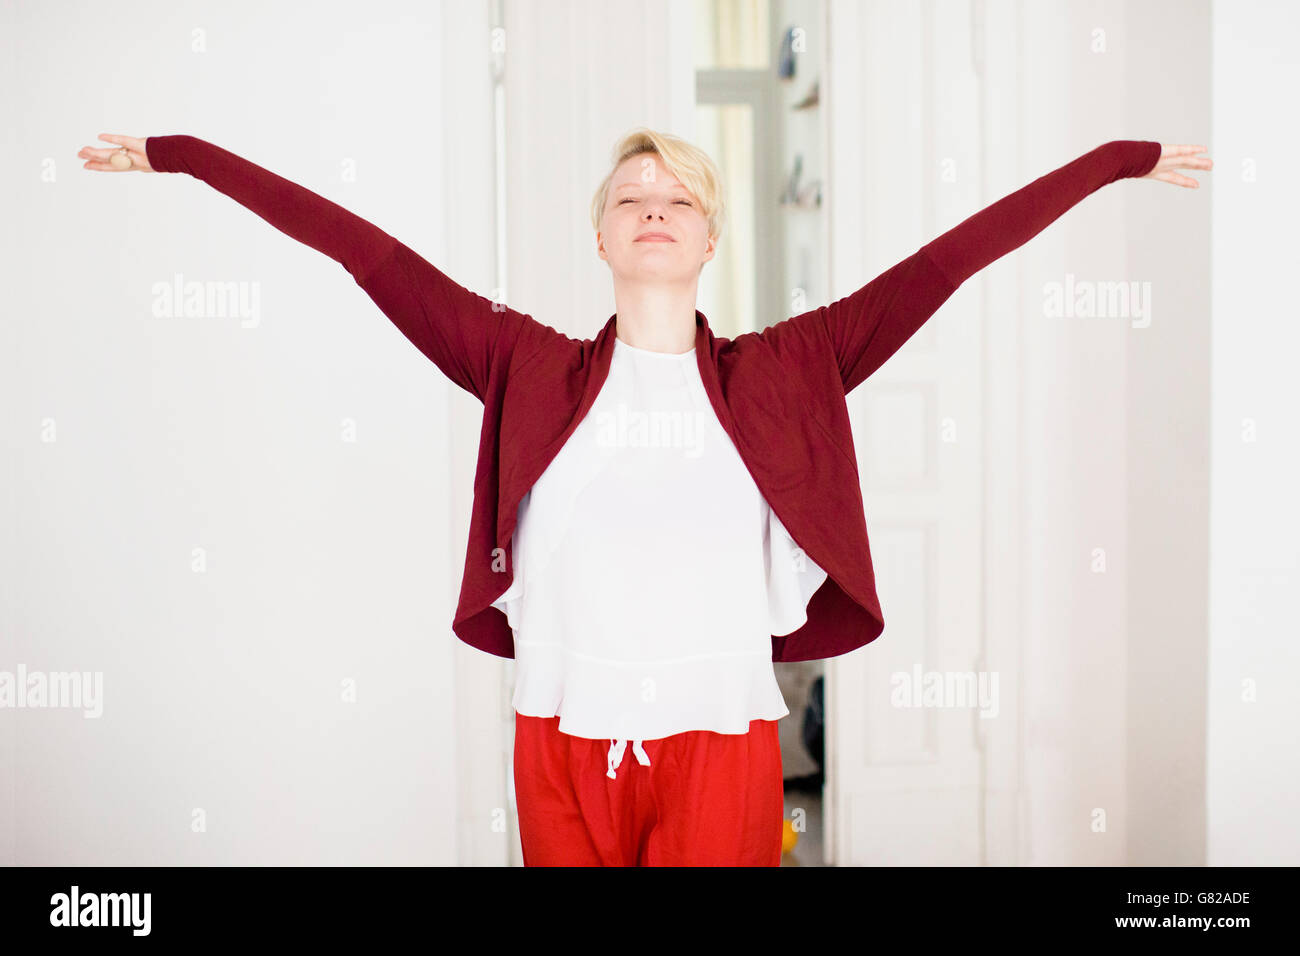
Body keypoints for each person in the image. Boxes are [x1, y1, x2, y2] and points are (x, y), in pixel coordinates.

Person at [79, 128, 1211, 867]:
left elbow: (940, 265)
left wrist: (1112, 160)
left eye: (678, 196)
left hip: (718, 739)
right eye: (631, 196)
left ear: (711, 234)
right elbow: (367, 254)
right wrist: (186, 156)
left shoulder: (786, 365)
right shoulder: (519, 360)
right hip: (557, 736)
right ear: (603, 234)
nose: (654, 207)